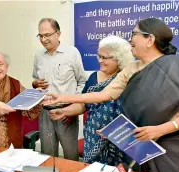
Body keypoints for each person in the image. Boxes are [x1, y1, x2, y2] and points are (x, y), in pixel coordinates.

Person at [45, 18, 179, 172]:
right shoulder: (132, 69)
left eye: (134, 34)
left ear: (150, 39)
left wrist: (160, 129)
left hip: (174, 148)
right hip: (142, 146)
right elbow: (104, 94)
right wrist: (64, 97)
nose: (130, 39)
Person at [50, 35, 134, 165]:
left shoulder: (127, 80)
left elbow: (134, 113)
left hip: (118, 138)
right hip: (92, 135)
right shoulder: (93, 77)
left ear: (119, 58)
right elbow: (83, 104)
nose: (100, 60)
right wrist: (65, 111)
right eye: (99, 56)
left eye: (104, 57)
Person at [32, 18, 87, 160]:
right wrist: (35, 84)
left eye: (47, 35)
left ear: (58, 34)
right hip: (45, 112)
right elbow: (35, 80)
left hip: (66, 113)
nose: (44, 39)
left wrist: (72, 110)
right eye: (41, 36)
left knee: (70, 157)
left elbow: (82, 82)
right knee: (47, 156)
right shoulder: (38, 55)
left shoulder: (72, 53)